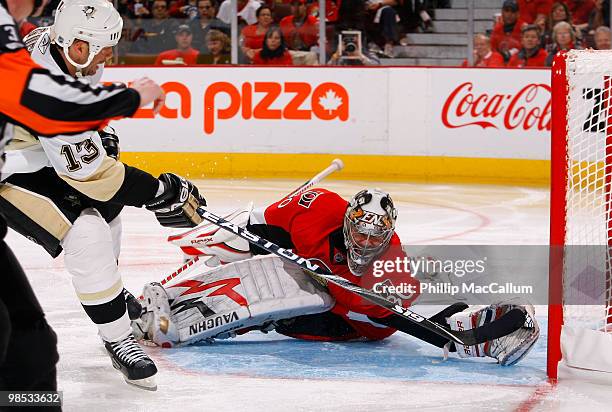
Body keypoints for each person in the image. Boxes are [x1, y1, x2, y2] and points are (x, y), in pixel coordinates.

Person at [2, 0, 206, 391]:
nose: (106, 60)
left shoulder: (68, 46)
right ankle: (116, 336)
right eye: (103, 52)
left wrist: (102, 135)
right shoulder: (44, 72)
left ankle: (107, 291)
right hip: (8, 171)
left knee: (108, 210)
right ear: (79, 46)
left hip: (38, 151)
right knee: (86, 233)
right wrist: (161, 191)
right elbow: (89, 173)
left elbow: (84, 117)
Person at [132, 188, 540, 367]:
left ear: (387, 236)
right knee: (260, 262)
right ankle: (179, 293)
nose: (364, 240)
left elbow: (395, 321)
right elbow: (264, 224)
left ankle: (204, 323)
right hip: (316, 278)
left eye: (373, 235)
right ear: (346, 221)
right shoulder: (317, 210)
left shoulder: (389, 272)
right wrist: (234, 242)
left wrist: (454, 341)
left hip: (351, 323)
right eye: (359, 230)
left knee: (295, 304)